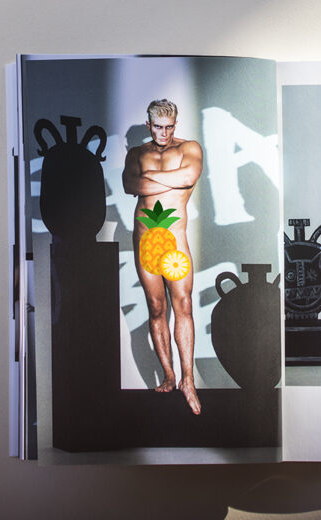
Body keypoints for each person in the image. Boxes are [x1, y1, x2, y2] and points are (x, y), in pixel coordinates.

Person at [122, 99, 203, 415]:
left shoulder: (189, 148)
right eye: (158, 127)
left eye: (170, 127)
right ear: (149, 125)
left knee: (183, 304)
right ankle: (170, 375)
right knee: (156, 306)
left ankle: (188, 379)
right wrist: (166, 178)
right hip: (145, 239)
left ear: (175, 125)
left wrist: (150, 179)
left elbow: (188, 178)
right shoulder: (136, 153)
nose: (165, 133)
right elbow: (130, 184)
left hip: (175, 239)